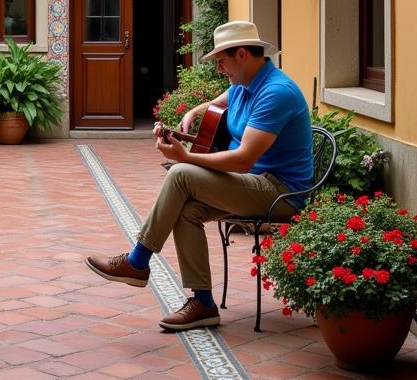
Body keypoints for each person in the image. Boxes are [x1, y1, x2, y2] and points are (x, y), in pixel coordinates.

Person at [86, 20, 313, 331]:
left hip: (280, 192)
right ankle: (203, 302)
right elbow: (218, 102)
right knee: (186, 210)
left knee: (181, 174)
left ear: (243, 54)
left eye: (222, 62)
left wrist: (187, 157)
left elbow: (244, 160)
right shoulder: (245, 85)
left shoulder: (275, 92)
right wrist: (192, 112)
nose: (220, 70)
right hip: (252, 186)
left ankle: (137, 262)